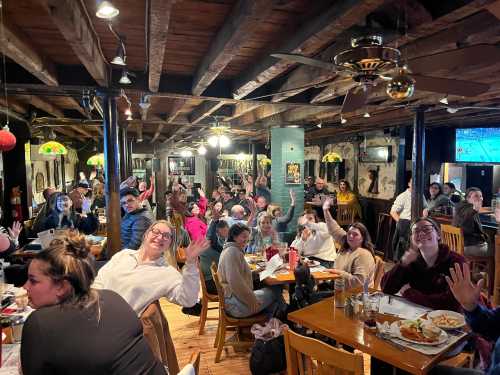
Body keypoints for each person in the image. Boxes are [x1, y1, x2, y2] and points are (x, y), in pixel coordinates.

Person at [21, 230, 166, 374]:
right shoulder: (112, 297)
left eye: (33, 281)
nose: (25, 287)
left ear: (62, 286)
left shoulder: (39, 323)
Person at [94, 220, 209, 315]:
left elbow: (188, 299)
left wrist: (191, 262)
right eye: (156, 231)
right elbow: (100, 279)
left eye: (166, 236)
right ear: (146, 235)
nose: (160, 237)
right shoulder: (124, 255)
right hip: (93, 311)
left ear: (169, 244)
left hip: (118, 326)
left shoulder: (167, 273)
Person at [381, 217, 466, 311]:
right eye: (416, 231)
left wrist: (409, 293)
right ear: (412, 239)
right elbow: (386, 288)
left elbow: (451, 303)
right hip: (418, 316)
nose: (421, 233)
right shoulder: (411, 262)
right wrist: (402, 264)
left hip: (449, 320)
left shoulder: (456, 262)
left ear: (438, 235)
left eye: (427, 229)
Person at [218, 223, 285, 318]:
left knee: (270, 288)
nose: (246, 240)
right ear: (234, 236)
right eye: (243, 237)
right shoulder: (232, 252)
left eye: (248, 237)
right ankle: (283, 315)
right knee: (276, 290)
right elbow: (235, 282)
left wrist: (254, 272)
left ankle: (274, 319)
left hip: (232, 299)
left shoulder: (230, 249)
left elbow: (237, 276)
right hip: (235, 306)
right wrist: (252, 300)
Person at [323, 198, 375, 289]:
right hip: (338, 286)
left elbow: (359, 282)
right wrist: (325, 210)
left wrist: (338, 273)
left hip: (354, 296)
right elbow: (334, 228)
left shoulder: (363, 254)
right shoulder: (346, 243)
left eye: (355, 235)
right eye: (349, 233)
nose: (351, 236)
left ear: (363, 238)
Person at [453, 187, 490, 256]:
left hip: (458, 245)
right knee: (495, 248)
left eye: (481, 196)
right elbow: (467, 214)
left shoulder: (459, 206)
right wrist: (475, 209)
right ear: (467, 198)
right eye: (476, 196)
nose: (480, 198)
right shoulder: (470, 209)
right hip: (469, 245)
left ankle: (476, 266)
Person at [200, 219, 229, 295]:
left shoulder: (219, 242)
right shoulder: (213, 244)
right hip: (213, 284)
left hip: (212, 282)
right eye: (225, 231)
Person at [390, 177, 413, 261]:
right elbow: (393, 212)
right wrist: (401, 223)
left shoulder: (420, 195)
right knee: (402, 252)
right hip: (405, 225)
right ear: (409, 184)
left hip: (415, 226)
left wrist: (425, 210)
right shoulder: (403, 196)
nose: (415, 185)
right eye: (412, 183)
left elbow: (425, 207)